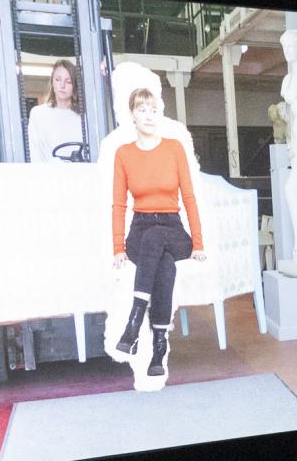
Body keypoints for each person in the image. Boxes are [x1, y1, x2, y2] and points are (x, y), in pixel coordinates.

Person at [107, 86, 206, 386]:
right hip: (140, 229)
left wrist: (198, 242)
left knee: (159, 241)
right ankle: (158, 347)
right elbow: (119, 204)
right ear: (132, 116)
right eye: (141, 109)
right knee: (164, 263)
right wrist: (117, 247)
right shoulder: (123, 154)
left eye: (153, 110)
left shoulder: (174, 148)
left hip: (174, 228)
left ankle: (134, 323)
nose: (148, 116)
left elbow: (188, 196)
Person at [26, 58, 85, 164]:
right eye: (58, 80)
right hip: (49, 177)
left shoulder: (84, 118)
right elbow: (34, 153)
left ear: (75, 86)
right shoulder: (39, 114)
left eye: (68, 82)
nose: (62, 86)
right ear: (52, 82)